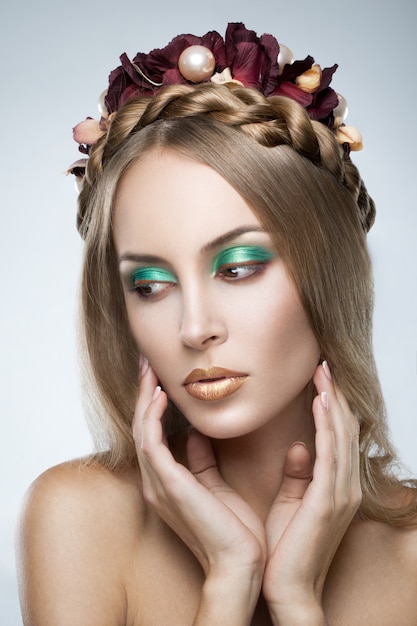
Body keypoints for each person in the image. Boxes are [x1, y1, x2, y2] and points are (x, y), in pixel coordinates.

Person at [16, 23, 417, 625]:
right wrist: (230, 582)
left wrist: (297, 601)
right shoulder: (77, 518)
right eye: (149, 285)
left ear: (328, 273)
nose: (194, 328)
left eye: (238, 267)